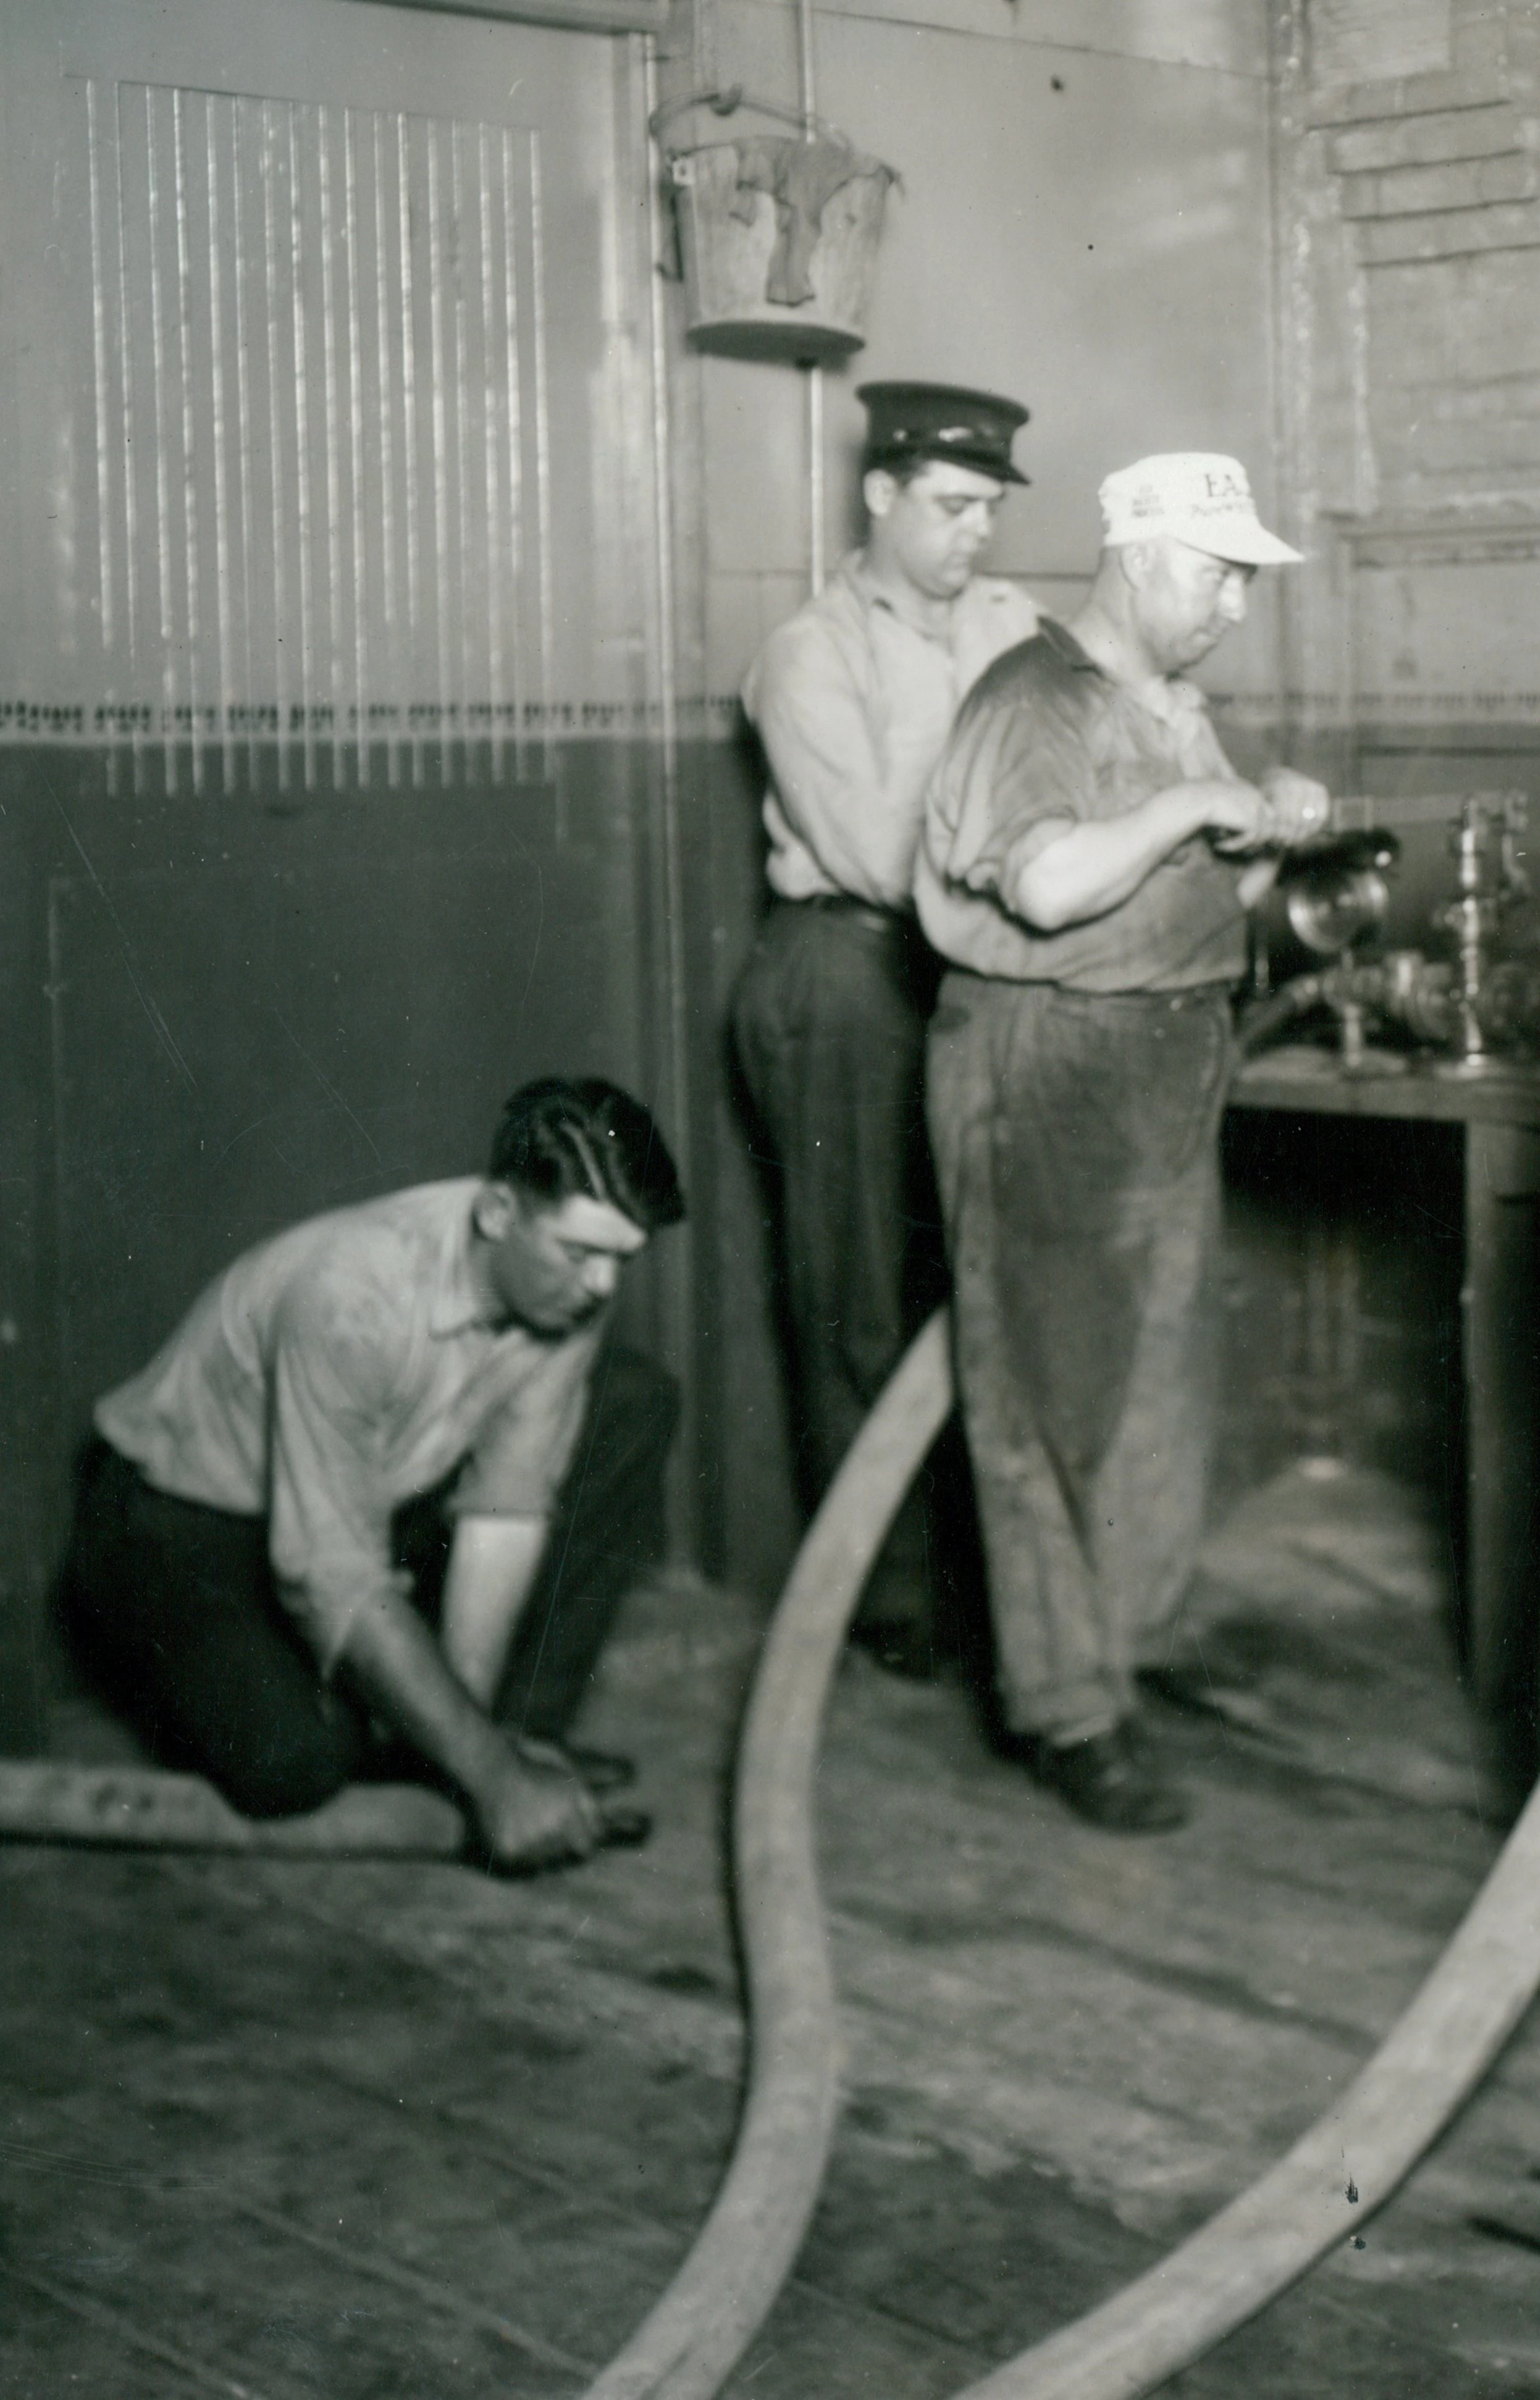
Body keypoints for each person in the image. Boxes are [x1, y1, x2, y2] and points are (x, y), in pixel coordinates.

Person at [917, 451, 1330, 1834]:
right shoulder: (1031, 697)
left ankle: (1136, 1643)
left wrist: (1271, 818)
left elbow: (1206, 888)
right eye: (1218, 573)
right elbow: (1043, 884)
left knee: (1159, 1376)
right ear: (1144, 556)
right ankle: (1068, 1708)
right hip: (1048, 1059)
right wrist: (1198, 805)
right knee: (1046, 1397)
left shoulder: (1173, 706)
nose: (1230, 603)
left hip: (1165, 1051)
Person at [60, 1079, 688, 1875]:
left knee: (633, 1403)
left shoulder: (564, 1290)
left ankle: (504, 1735)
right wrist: (490, 1779)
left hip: (368, 1492)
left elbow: (506, 1507)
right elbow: (330, 1574)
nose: (602, 1287)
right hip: (174, 1524)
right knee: (295, 1765)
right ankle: (402, 1730)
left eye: (621, 1260)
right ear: (498, 1213)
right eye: (581, 1254)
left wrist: (480, 1749)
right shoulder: (350, 1296)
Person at [734, 381, 1043, 1681]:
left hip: (970, 973)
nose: (976, 531)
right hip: (845, 976)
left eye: (990, 507)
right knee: (858, 1294)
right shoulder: (811, 649)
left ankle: (980, 1591)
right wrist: (1037, 856)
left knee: (967, 1284)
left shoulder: (1011, 621)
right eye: (951, 504)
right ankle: (888, 1596)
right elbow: (868, 853)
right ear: (880, 493)